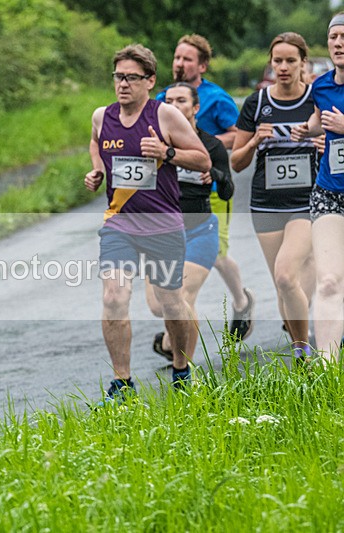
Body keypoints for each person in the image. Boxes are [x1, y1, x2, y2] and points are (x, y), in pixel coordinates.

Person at [85, 44, 211, 401]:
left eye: (131, 78)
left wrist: (166, 153)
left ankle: (182, 370)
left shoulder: (166, 116)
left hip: (163, 224)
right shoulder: (101, 116)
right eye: (118, 77)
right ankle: (121, 383)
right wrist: (97, 169)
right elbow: (95, 143)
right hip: (119, 224)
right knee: (114, 295)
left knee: (171, 301)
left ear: (149, 80)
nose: (123, 84)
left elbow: (202, 160)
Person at [156, 34, 256, 341]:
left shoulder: (216, 98)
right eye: (176, 57)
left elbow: (237, 135)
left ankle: (240, 301)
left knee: (214, 253)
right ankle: (178, 332)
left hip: (210, 184)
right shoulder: (164, 97)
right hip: (177, 192)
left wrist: (200, 151)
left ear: (202, 65)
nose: (180, 64)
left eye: (187, 59)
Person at [231, 33, 317, 363]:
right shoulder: (256, 103)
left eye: (290, 61)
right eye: (277, 60)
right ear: (270, 62)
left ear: (302, 63)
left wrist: (320, 144)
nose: (282, 67)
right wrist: (254, 142)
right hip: (266, 204)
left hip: (308, 203)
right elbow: (236, 162)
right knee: (286, 289)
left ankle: (302, 353)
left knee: (286, 275)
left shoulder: (315, 100)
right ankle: (302, 343)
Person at [148, 82, 234, 362]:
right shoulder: (152, 143)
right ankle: (174, 340)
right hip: (160, 233)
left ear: (195, 107)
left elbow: (228, 190)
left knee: (182, 295)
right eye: (168, 100)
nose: (173, 105)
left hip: (198, 227)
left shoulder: (211, 145)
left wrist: (218, 177)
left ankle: (185, 371)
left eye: (181, 100)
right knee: (157, 306)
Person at [291, 13, 344, 362]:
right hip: (330, 194)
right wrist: (307, 130)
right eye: (334, 38)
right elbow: (319, 118)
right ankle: (327, 373)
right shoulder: (322, 86)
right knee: (328, 282)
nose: (339, 44)